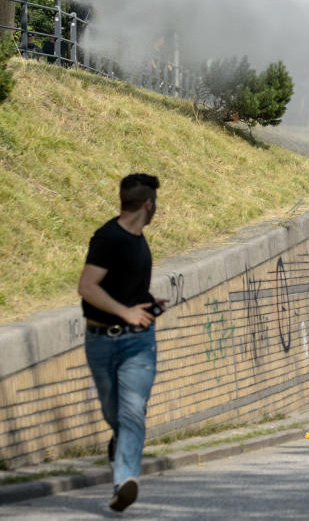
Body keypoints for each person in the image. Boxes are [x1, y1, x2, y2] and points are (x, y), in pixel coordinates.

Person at [78, 173, 165, 512]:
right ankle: (120, 442)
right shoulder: (109, 238)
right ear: (148, 204)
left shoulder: (140, 241)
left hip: (138, 344)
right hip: (101, 339)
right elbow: (88, 287)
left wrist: (146, 303)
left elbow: (123, 289)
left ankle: (124, 481)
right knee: (113, 411)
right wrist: (125, 312)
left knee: (132, 412)